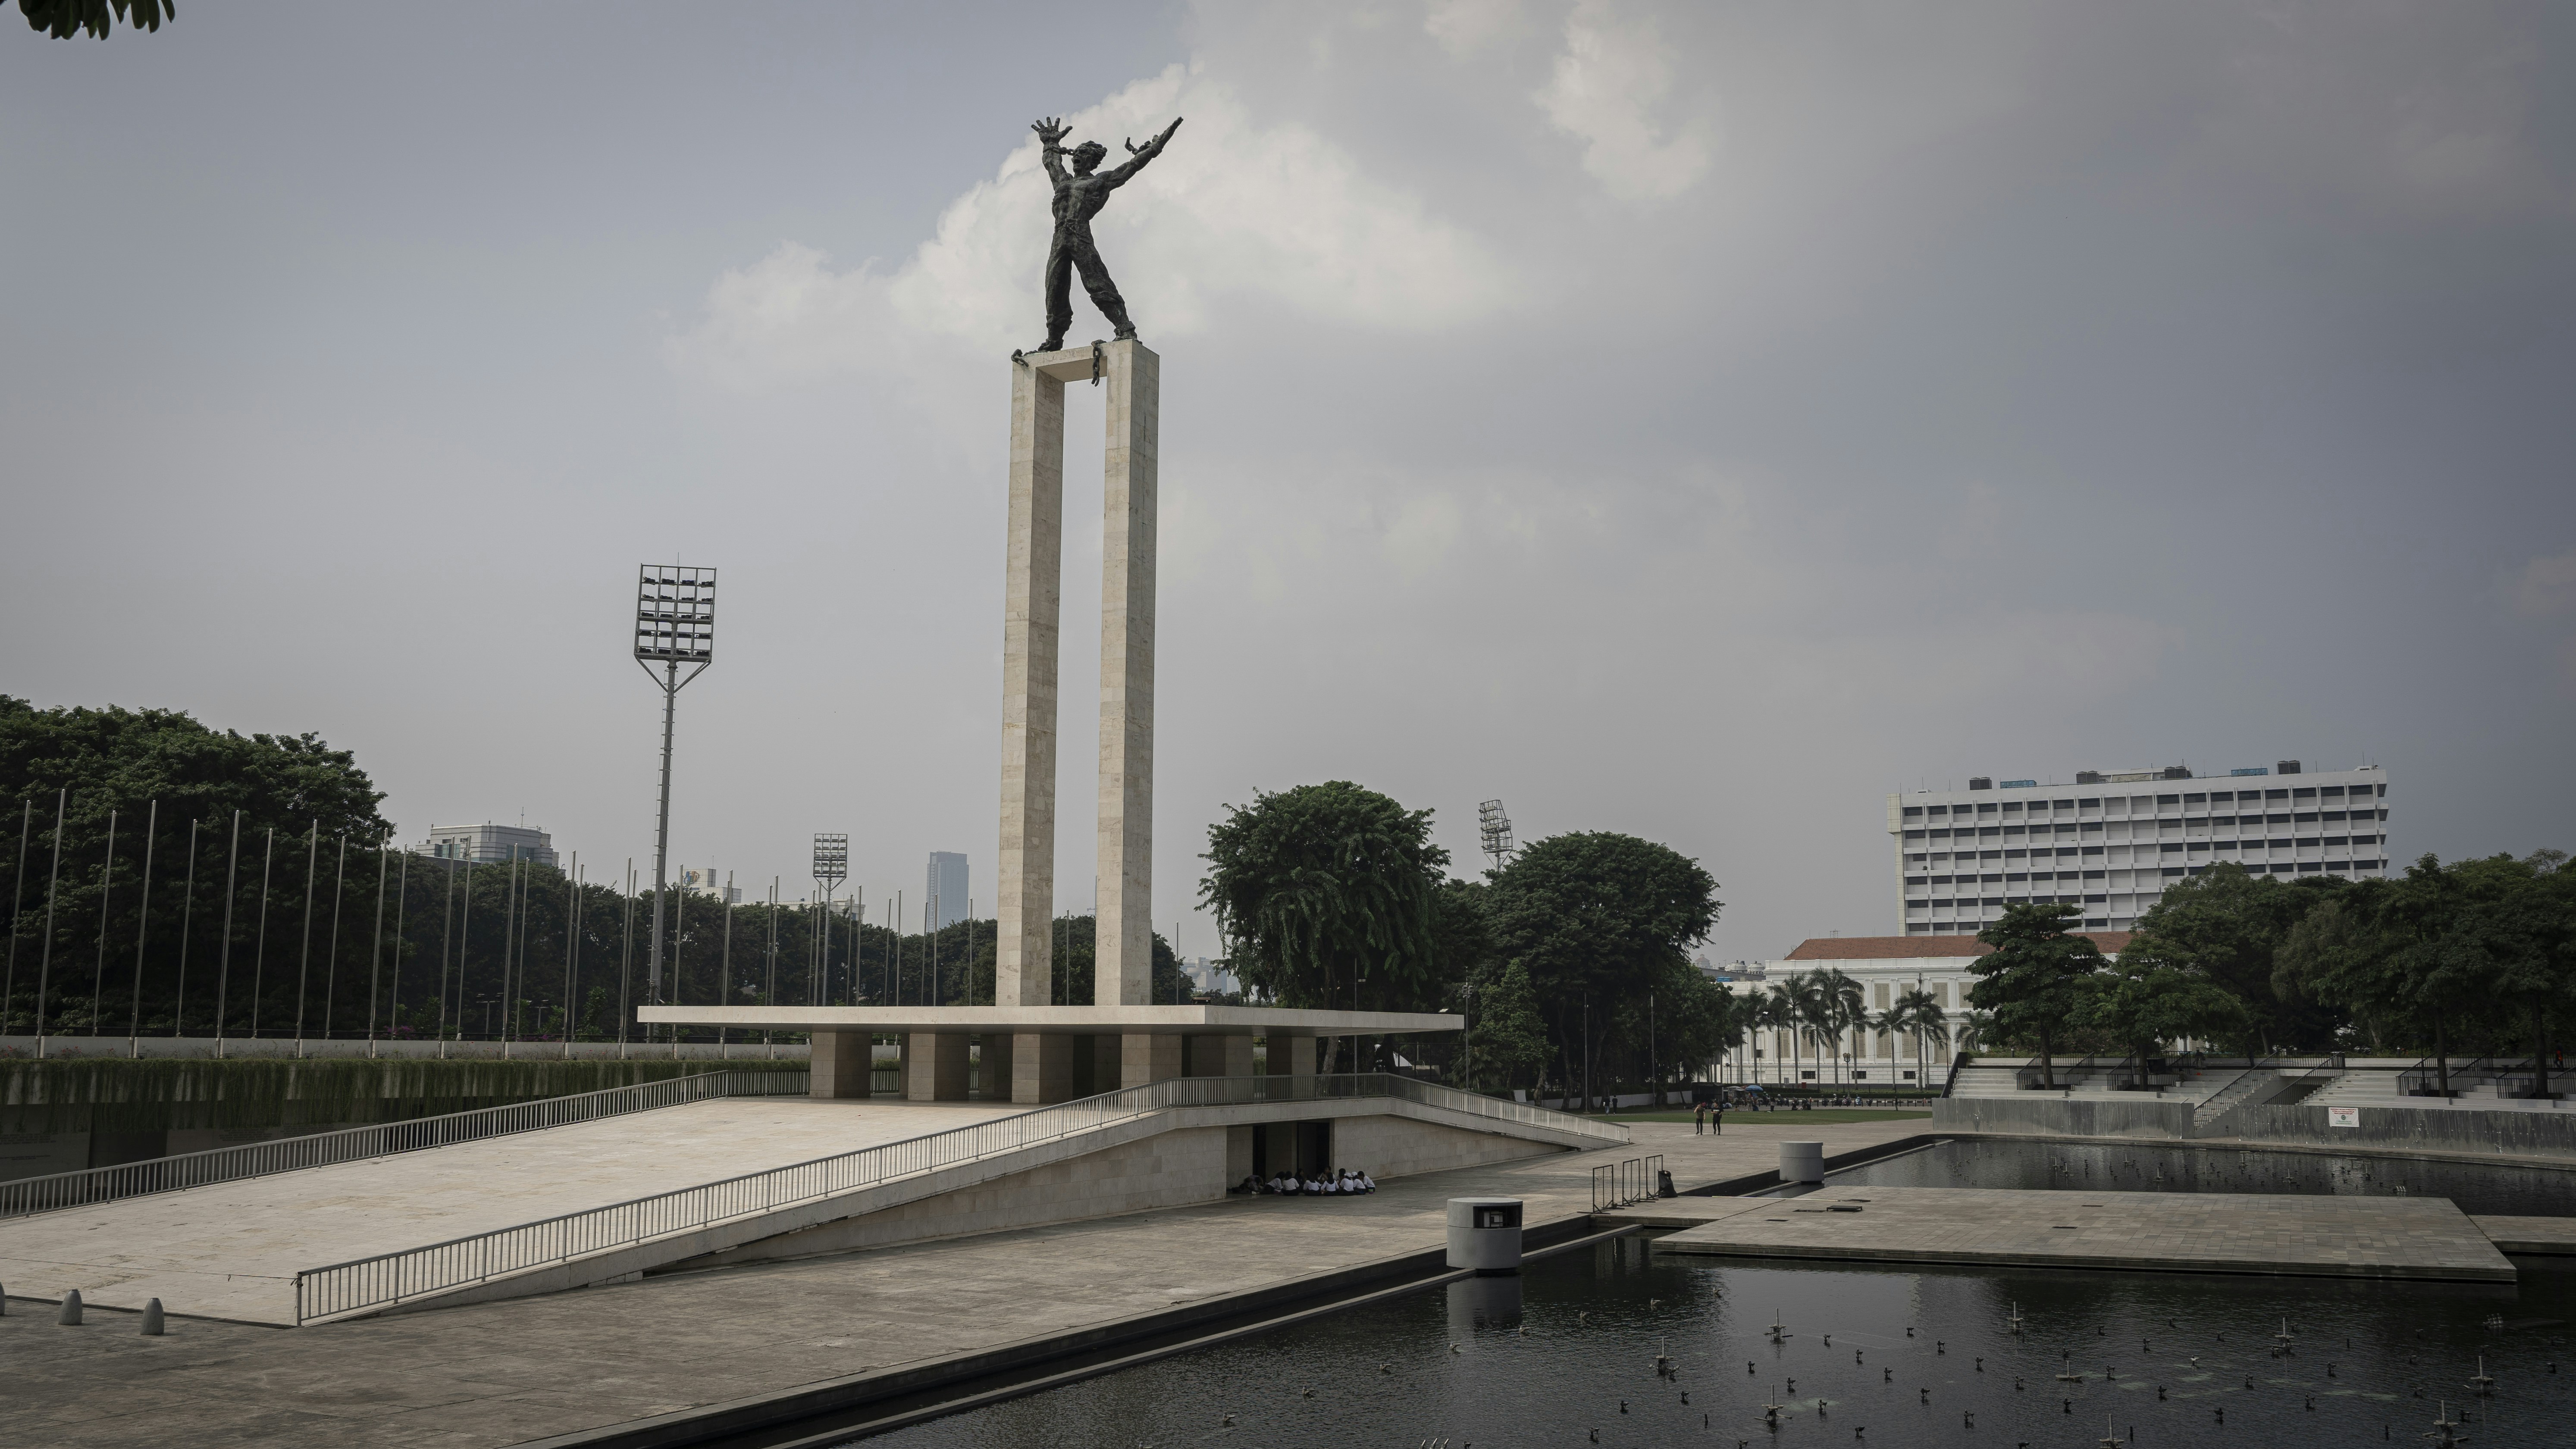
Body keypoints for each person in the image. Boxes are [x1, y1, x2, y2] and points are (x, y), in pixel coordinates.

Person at [1027, 114, 1183, 353]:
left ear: (1093, 162)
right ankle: (1054, 341)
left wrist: (1155, 147)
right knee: (1054, 287)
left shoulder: (1101, 181)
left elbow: (1131, 167)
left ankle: (1125, 328)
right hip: (1059, 239)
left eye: (1084, 155)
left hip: (1079, 234)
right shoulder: (1063, 182)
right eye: (1077, 154)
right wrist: (1050, 143)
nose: (1078, 157)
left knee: (1097, 282)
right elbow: (1052, 163)